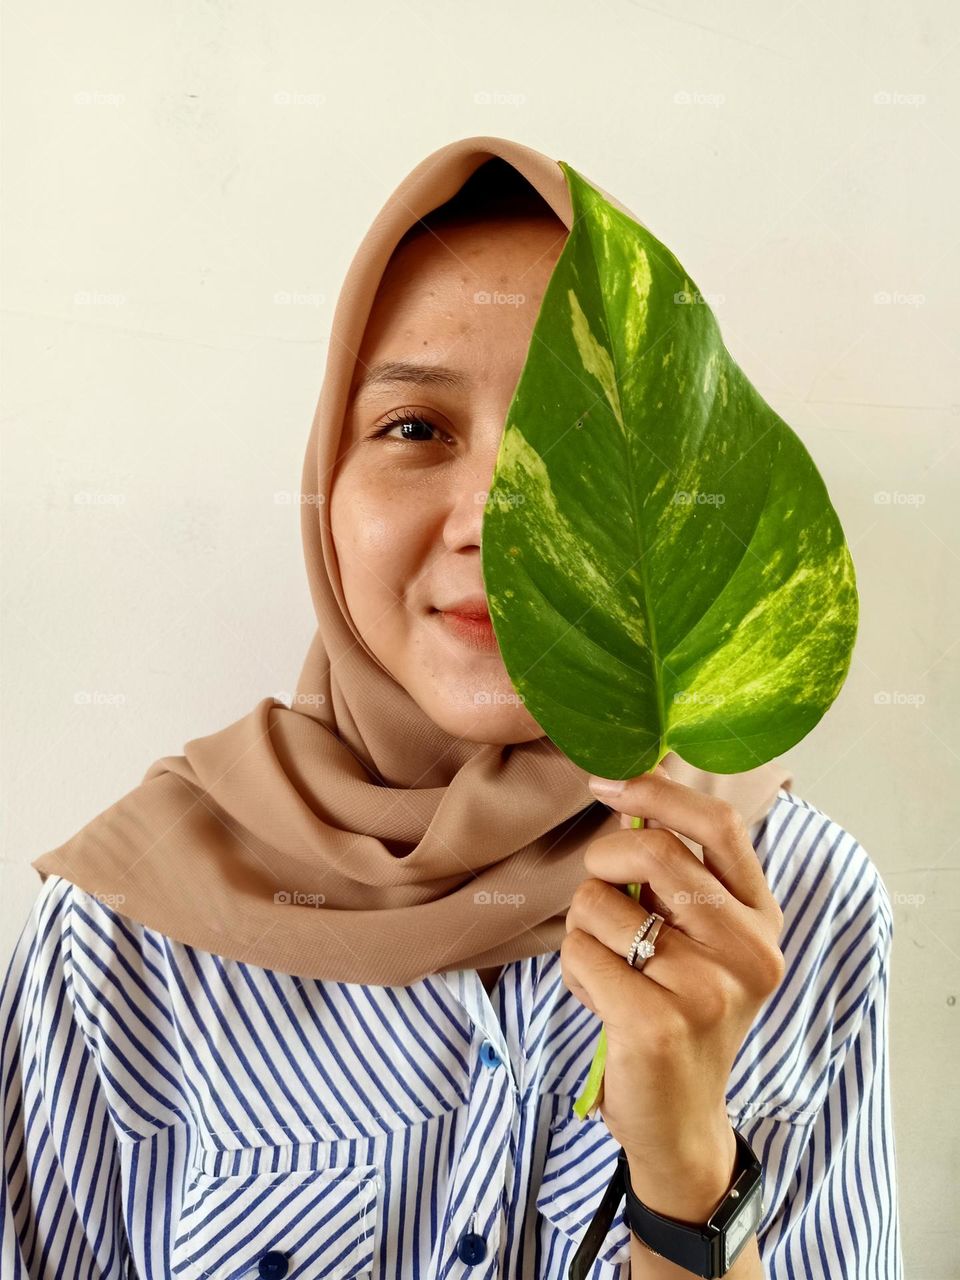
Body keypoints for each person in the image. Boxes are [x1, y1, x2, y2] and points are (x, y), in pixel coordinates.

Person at [0, 137, 903, 1278]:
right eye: (416, 430)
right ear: (327, 486)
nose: (491, 519)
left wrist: (686, 1179)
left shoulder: (785, 910)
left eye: (569, 452)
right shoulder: (125, 935)